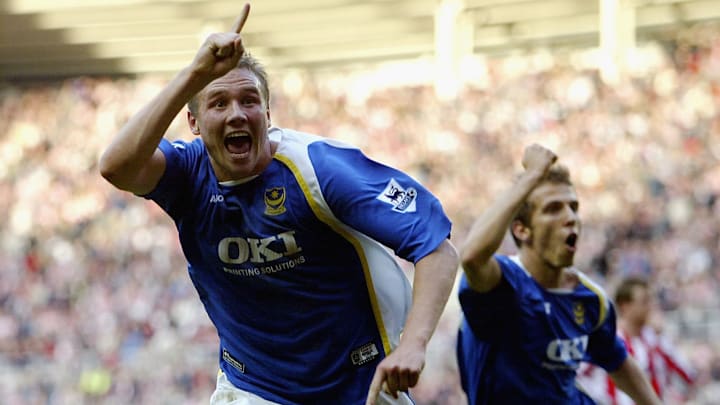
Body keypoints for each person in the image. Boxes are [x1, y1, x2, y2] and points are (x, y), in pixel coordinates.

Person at [98, 4, 459, 405]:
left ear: (267, 114)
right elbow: (116, 167)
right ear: (194, 123)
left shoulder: (319, 170)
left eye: (249, 101)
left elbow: (437, 249)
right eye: (218, 103)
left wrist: (414, 345)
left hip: (360, 386)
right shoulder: (185, 174)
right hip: (254, 390)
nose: (237, 114)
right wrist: (194, 75)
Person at [455, 144, 662, 404]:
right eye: (553, 209)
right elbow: (472, 256)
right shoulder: (502, 284)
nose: (570, 217)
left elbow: (617, 361)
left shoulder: (590, 299)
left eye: (573, 207)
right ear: (521, 230)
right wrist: (532, 175)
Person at [577, 277, 696, 404]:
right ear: (625, 306)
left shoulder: (656, 340)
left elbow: (687, 373)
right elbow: (578, 375)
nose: (651, 306)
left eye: (651, 300)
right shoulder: (605, 342)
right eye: (645, 301)